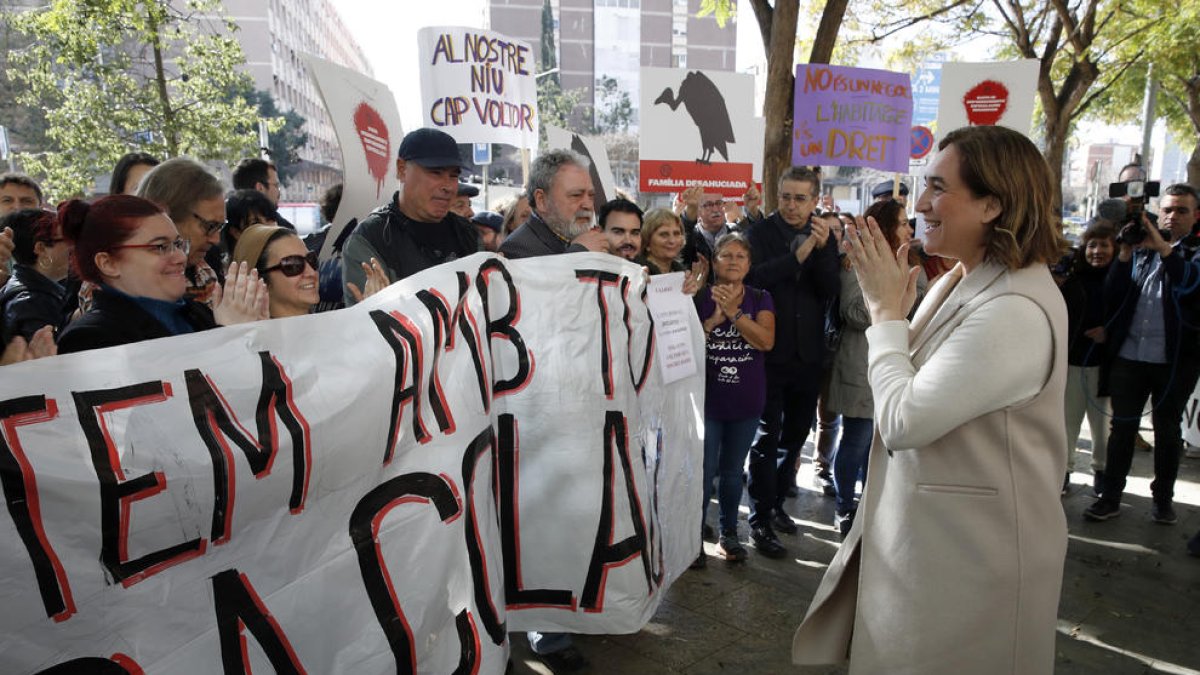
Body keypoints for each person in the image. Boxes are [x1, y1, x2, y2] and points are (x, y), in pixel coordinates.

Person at [792, 125, 1068, 674]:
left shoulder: (1013, 309)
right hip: (937, 551)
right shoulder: (964, 279)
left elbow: (902, 421)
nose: (919, 204)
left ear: (992, 204)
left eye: (938, 188)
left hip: (971, 566)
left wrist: (884, 313)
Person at [1084, 183, 1200, 525]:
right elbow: (1113, 294)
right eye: (1167, 209)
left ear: (1195, 216)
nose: (1172, 216)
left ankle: (1163, 500)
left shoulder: (1192, 252)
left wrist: (1163, 249)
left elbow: (1190, 286)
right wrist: (1124, 253)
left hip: (1174, 361)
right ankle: (1110, 497)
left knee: (1168, 432)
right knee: (1121, 428)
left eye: (1181, 210)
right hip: (1130, 356)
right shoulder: (1139, 250)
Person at [743, 166, 840, 558]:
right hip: (768, 351)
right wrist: (796, 257)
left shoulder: (824, 235)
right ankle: (759, 519)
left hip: (808, 354)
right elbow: (753, 279)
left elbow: (830, 289)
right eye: (786, 197)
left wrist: (821, 253)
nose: (792, 205)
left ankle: (777, 501)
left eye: (801, 198)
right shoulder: (760, 233)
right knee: (766, 438)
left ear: (815, 200)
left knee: (796, 436)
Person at [825, 199, 927, 537]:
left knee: (883, 445)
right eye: (902, 223)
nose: (910, 229)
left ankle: (873, 506)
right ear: (885, 227)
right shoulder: (856, 261)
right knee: (857, 440)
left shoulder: (912, 261)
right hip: (861, 364)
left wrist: (904, 298)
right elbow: (853, 312)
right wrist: (892, 301)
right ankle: (844, 507)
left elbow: (922, 310)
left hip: (900, 363)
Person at [56, 195, 267, 353]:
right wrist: (230, 338)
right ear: (108, 263)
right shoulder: (89, 338)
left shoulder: (198, 313)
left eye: (178, 244)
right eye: (160, 247)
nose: (181, 257)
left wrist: (261, 338)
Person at [695, 233, 774, 566]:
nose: (733, 261)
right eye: (726, 255)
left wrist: (734, 314)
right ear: (714, 262)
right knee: (702, 472)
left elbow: (766, 341)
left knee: (731, 472)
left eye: (741, 256)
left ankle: (729, 534)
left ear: (749, 264)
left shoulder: (760, 298)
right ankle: (692, 538)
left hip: (746, 401)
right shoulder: (698, 296)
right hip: (706, 403)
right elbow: (685, 346)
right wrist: (712, 321)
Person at [341, 128, 479, 305]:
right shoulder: (370, 239)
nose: (448, 186)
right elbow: (369, 318)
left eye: (454, 176)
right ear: (401, 169)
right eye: (436, 173)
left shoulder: (468, 233)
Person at [1059, 222, 1116, 496]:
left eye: (1104, 245)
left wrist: (1109, 333)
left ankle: (1101, 472)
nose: (1097, 251)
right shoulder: (1072, 281)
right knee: (1067, 423)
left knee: (1102, 427)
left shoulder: (1121, 280)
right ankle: (1064, 471)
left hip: (1104, 367)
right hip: (1072, 363)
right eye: (1092, 245)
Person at [136, 157, 228, 306]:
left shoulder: (204, 271)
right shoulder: (131, 284)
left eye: (220, 227)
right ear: (166, 215)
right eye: (210, 226)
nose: (216, 239)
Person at [500, 149, 607, 259]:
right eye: (576, 195)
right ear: (541, 200)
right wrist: (579, 251)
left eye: (591, 195)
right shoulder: (517, 249)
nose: (588, 205)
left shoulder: (583, 240)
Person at [0, 209, 71, 342]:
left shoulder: (35, 290)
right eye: (67, 239)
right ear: (41, 248)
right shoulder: (33, 303)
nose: (72, 246)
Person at [634, 208, 706, 294]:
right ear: (646, 242)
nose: (672, 240)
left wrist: (694, 293)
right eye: (664, 234)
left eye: (676, 233)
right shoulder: (635, 276)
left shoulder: (683, 276)